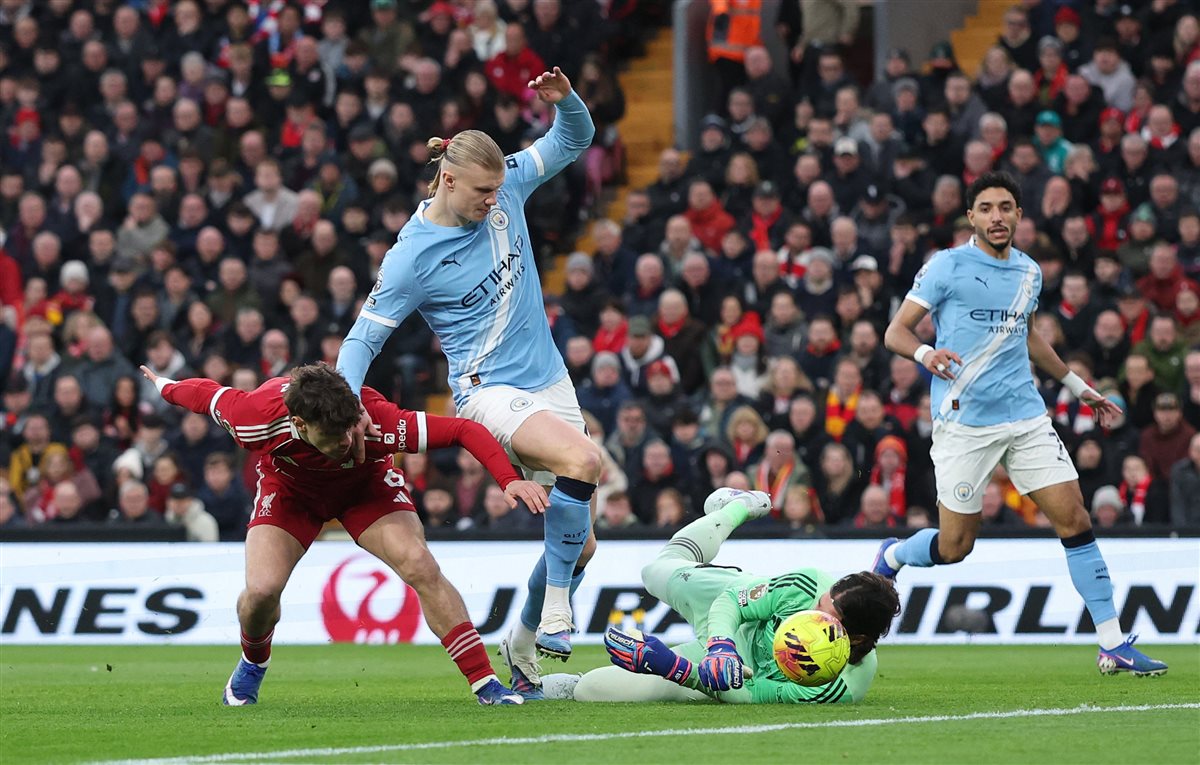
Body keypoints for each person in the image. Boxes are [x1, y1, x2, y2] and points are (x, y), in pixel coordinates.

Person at [336, 66, 600, 697]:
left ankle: (525, 640)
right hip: (487, 393)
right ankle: (560, 612)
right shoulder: (410, 257)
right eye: (482, 191)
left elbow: (572, 142)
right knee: (585, 459)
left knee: (581, 546)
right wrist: (346, 407)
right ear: (447, 180)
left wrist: (566, 103)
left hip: (549, 385)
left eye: (497, 189)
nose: (493, 201)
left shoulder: (503, 185)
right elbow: (362, 340)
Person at [875, 171, 1167, 677]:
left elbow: (1029, 338)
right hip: (964, 423)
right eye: (986, 208)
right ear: (971, 216)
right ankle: (896, 554)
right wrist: (926, 353)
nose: (997, 217)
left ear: (1019, 215)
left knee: (1074, 517)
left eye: (1006, 207)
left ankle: (1112, 643)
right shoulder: (945, 266)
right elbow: (895, 332)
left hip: (1025, 415)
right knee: (955, 546)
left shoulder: (1030, 272)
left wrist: (1077, 387)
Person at [142, 362, 548, 706]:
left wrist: (507, 479)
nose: (346, 441)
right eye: (333, 436)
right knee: (262, 591)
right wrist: (163, 385)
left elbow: (463, 430)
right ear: (299, 423)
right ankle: (253, 661)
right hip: (290, 493)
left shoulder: (374, 422)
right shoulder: (254, 417)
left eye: (349, 429)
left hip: (365, 489)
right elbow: (206, 396)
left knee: (420, 565)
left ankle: (484, 682)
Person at [541, 488, 899, 704]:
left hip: (738, 669)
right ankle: (736, 508)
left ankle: (569, 683)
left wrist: (677, 669)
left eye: (829, 612)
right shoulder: (806, 586)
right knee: (655, 571)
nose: (816, 608)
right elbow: (732, 604)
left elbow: (749, 697)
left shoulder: (836, 686)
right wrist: (721, 645)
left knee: (591, 689)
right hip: (732, 611)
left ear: (858, 637)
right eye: (824, 599)